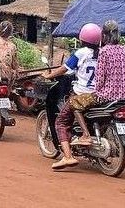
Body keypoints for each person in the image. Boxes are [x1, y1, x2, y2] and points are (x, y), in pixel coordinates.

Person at [41, 22, 102, 170]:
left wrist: (49, 76)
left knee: (61, 121)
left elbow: (64, 69)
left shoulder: (80, 53)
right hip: (99, 95)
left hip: (82, 94)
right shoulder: (103, 53)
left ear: (82, 38)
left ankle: (67, 157)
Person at [73, 20, 125, 147]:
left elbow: (99, 78)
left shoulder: (104, 51)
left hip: (106, 95)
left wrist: (96, 92)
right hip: (124, 97)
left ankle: (85, 134)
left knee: (75, 103)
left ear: (103, 35)